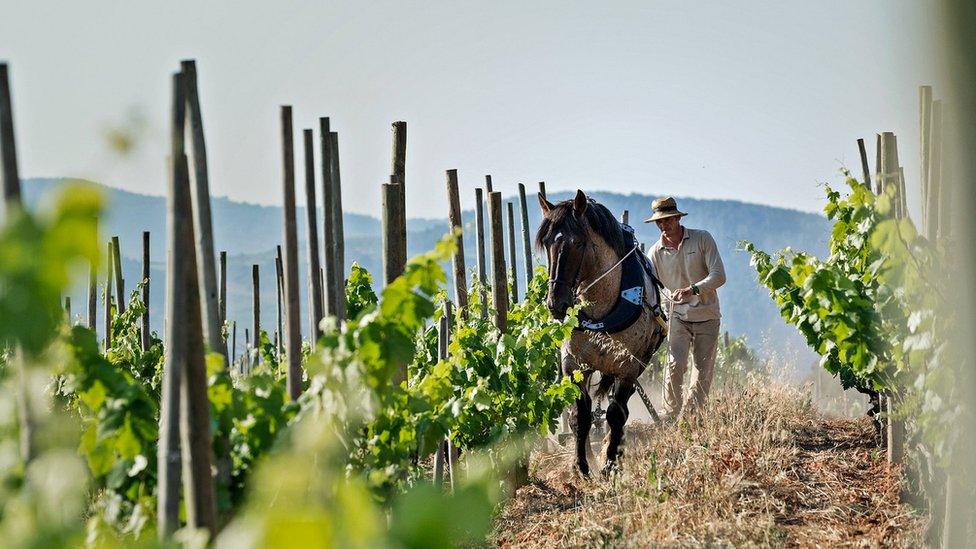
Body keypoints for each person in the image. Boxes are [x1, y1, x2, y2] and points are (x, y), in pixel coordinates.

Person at [645, 196, 726, 418]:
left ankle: (691, 417)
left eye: (668, 220)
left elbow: (719, 276)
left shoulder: (702, 239)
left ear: (679, 218)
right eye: (659, 222)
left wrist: (693, 290)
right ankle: (670, 416)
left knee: (702, 373)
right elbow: (654, 289)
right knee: (674, 366)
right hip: (677, 316)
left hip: (707, 315)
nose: (663, 226)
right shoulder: (654, 253)